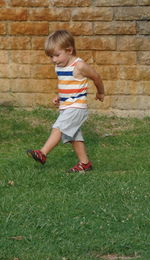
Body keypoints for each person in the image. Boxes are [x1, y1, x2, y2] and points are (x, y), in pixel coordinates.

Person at [27, 30, 105, 172]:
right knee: (74, 136)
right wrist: (59, 96)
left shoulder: (79, 66)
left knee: (59, 127)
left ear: (69, 50)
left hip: (77, 107)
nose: (54, 60)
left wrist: (100, 92)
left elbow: (96, 77)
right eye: (51, 56)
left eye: (57, 55)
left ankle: (43, 153)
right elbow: (67, 84)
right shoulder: (59, 67)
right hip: (67, 106)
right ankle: (85, 163)